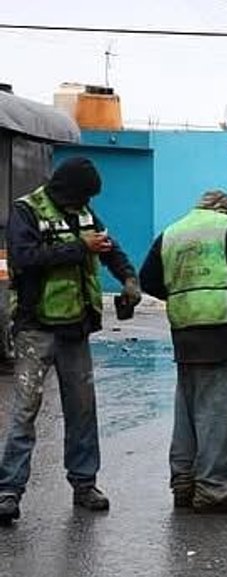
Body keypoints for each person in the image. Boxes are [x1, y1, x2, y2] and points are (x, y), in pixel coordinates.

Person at [0, 157, 140, 524]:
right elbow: (24, 258)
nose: (84, 205)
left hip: (75, 328)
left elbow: (110, 249)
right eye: (81, 198)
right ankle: (8, 491)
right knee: (25, 412)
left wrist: (127, 278)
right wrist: (80, 247)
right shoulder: (26, 212)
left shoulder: (84, 213)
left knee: (82, 410)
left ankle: (84, 484)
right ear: (67, 192)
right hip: (35, 327)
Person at [139, 190, 227, 513]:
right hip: (222, 328)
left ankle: (184, 480)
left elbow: (149, 279)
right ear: (226, 210)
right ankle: (213, 487)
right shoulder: (226, 226)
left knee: (187, 405)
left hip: (184, 327)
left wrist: (185, 294)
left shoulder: (172, 232)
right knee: (217, 409)